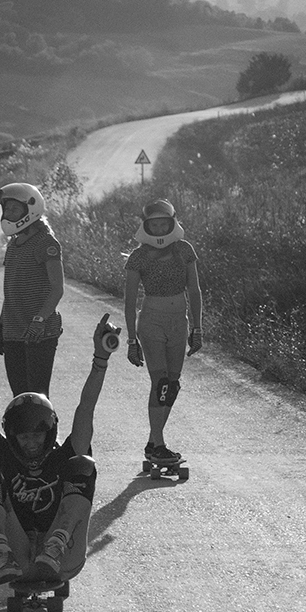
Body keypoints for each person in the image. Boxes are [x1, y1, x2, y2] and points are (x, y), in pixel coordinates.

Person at [0, 309, 120, 585]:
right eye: (24, 437)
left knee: (82, 466)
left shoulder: (65, 455)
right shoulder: (3, 454)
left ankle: (54, 545)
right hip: (16, 557)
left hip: (63, 558)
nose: (31, 444)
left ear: (50, 433)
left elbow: (86, 407)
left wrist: (101, 358)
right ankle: (3, 553)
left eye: (37, 436)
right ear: (13, 437)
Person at [122, 199, 203, 467]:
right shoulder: (138, 256)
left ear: (172, 224)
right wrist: (131, 340)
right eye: (153, 225)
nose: (159, 230)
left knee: (173, 384)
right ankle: (159, 445)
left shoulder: (184, 250)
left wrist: (198, 328)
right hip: (152, 320)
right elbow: (130, 301)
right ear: (146, 227)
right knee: (161, 383)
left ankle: (152, 442)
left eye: (163, 224)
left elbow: (194, 290)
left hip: (178, 320)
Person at [0, 182, 65, 397]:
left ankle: (47, 423)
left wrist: (39, 321)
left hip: (39, 333)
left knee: (38, 397)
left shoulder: (46, 243)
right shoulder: (13, 244)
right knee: (19, 396)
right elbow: (11, 292)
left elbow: (57, 289)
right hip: (13, 331)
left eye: (14, 209)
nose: (8, 214)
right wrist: (0, 325)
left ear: (30, 209)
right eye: (6, 209)